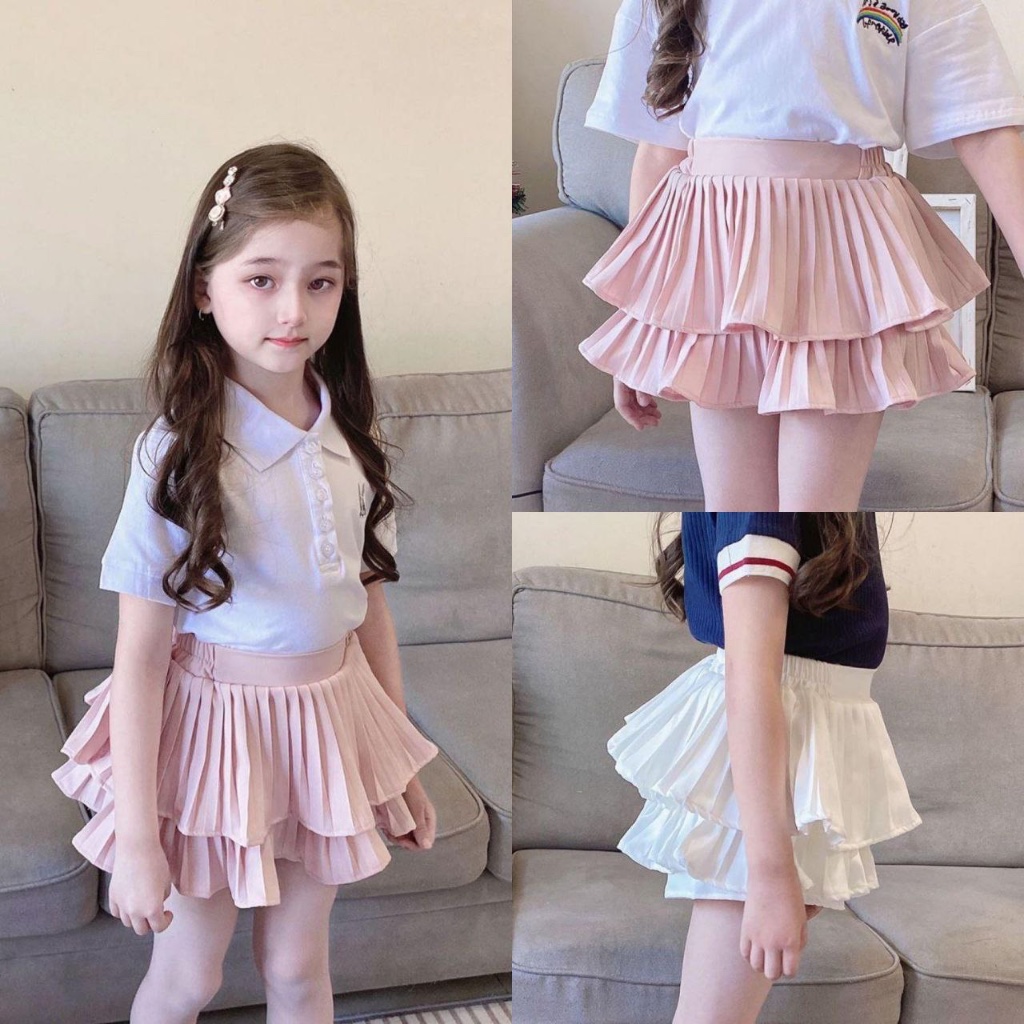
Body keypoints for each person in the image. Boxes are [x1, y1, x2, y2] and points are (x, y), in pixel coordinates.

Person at [50, 142, 440, 1024]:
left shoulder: (351, 431)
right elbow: (140, 659)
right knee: (190, 977)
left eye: (321, 282)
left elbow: (368, 604)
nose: (293, 310)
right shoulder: (177, 453)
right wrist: (140, 840)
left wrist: (400, 768)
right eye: (261, 279)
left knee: (299, 968)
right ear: (205, 289)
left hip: (328, 726)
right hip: (213, 741)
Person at [579, 0, 1024, 510]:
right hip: (717, 252)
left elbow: (985, 130)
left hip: (841, 249)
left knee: (816, 516)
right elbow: (661, 147)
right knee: (736, 515)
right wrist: (640, 328)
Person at [607, 513, 922, 1024]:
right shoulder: (764, 496)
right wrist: (770, 874)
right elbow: (752, 673)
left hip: (795, 738)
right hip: (773, 748)